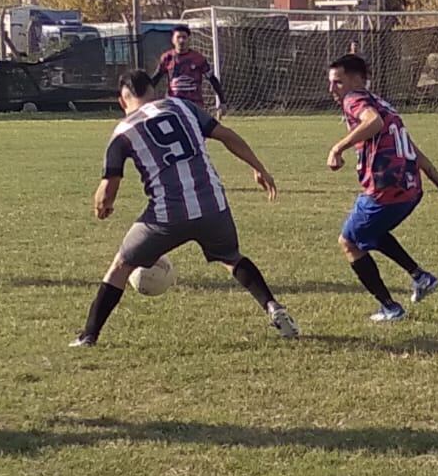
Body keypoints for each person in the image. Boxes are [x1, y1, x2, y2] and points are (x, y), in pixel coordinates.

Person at [73, 71, 295, 346]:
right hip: (214, 206)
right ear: (154, 91)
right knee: (231, 258)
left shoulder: (123, 131)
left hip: (166, 216)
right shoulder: (182, 106)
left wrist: (102, 206)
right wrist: (258, 168)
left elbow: (109, 188)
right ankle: (274, 307)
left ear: (122, 100)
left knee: (121, 265)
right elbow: (226, 135)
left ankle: (89, 335)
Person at [326, 53, 438, 322]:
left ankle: (390, 307)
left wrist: (336, 148)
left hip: (385, 191)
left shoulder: (355, 99)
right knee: (371, 233)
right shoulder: (385, 105)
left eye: (338, 82)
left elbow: (372, 121)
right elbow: (414, 151)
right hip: (411, 191)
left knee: (349, 242)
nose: (333, 89)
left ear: (356, 80)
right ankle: (420, 277)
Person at [152, 24, 226, 116]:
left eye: (184, 37)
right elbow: (155, 79)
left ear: (189, 39)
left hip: (195, 106)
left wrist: (222, 102)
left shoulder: (198, 58)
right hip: (174, 105)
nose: (181, 41)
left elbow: (212, 79)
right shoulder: (167, 58)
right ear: (173, 40)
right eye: (178, 37)